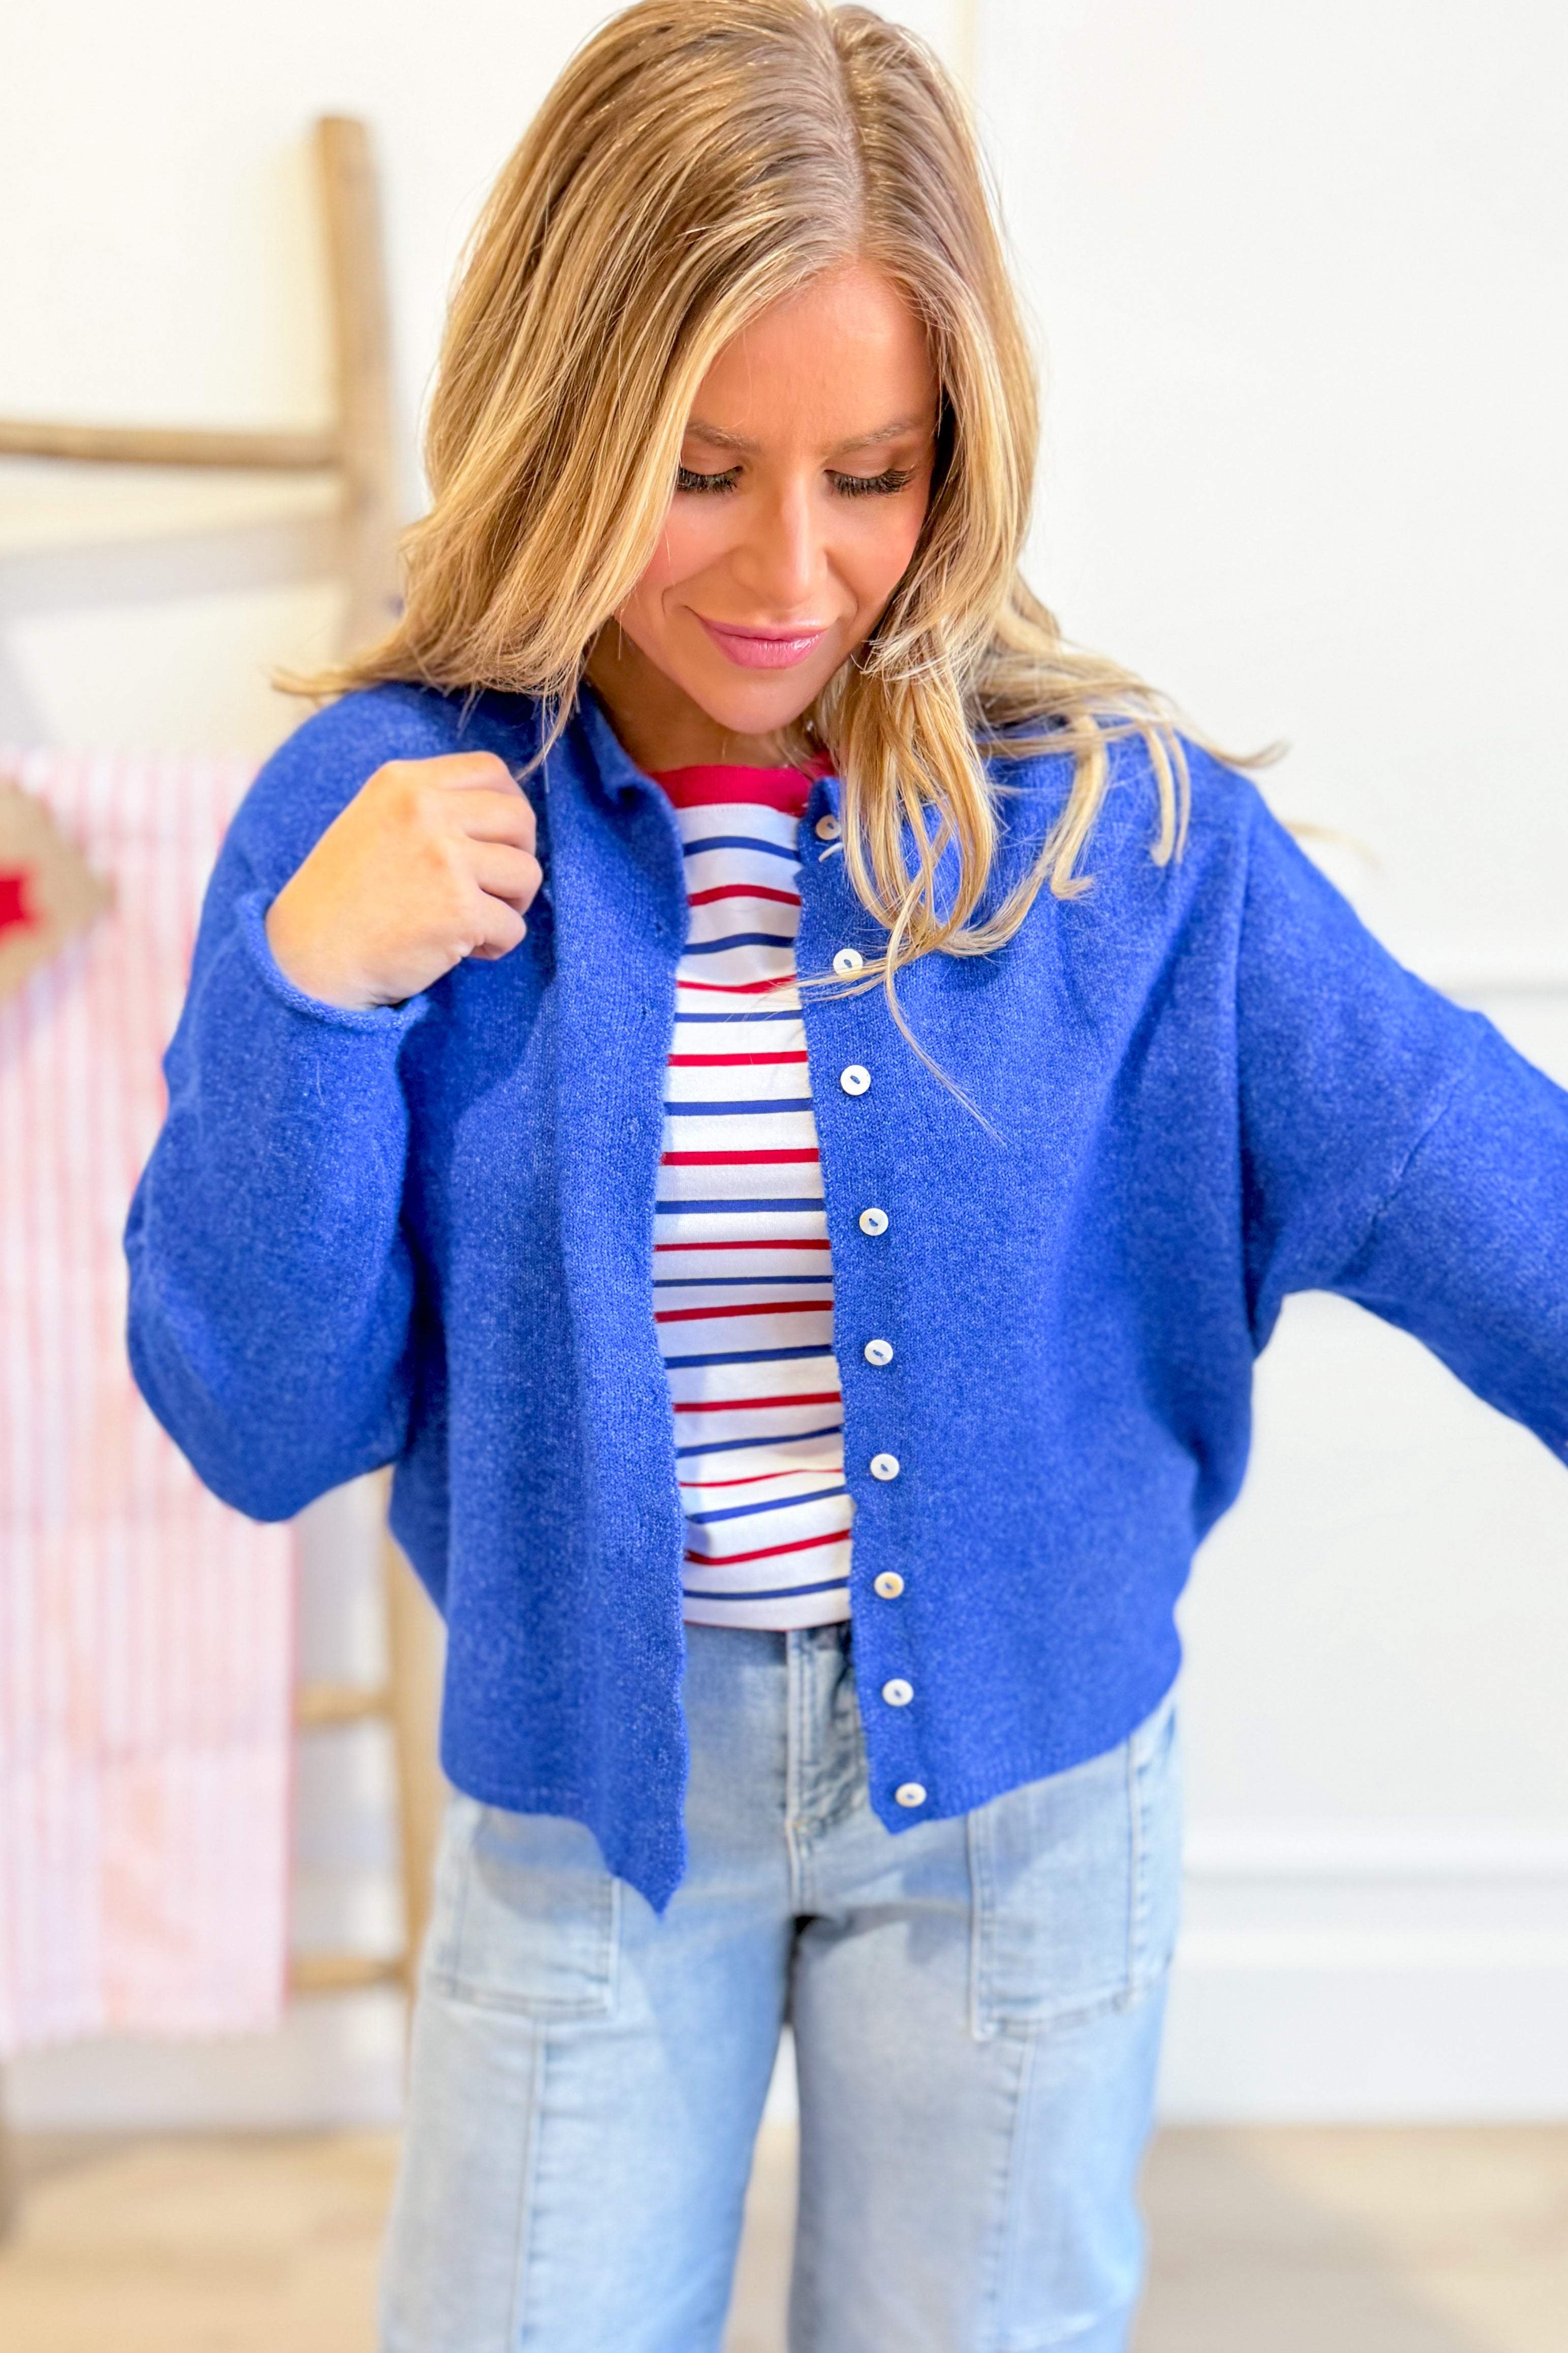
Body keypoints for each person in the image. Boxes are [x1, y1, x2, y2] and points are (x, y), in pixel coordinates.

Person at [124, 4, 1568, 2347]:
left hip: (1026, 1807)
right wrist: (310, 993)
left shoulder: (1118, 837)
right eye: (698, 470)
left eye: (872, 473)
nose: (792, 568)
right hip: (590, 1801)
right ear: (567, 413)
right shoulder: (373, 817)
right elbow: (258, 1424)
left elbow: (1461, 1164)